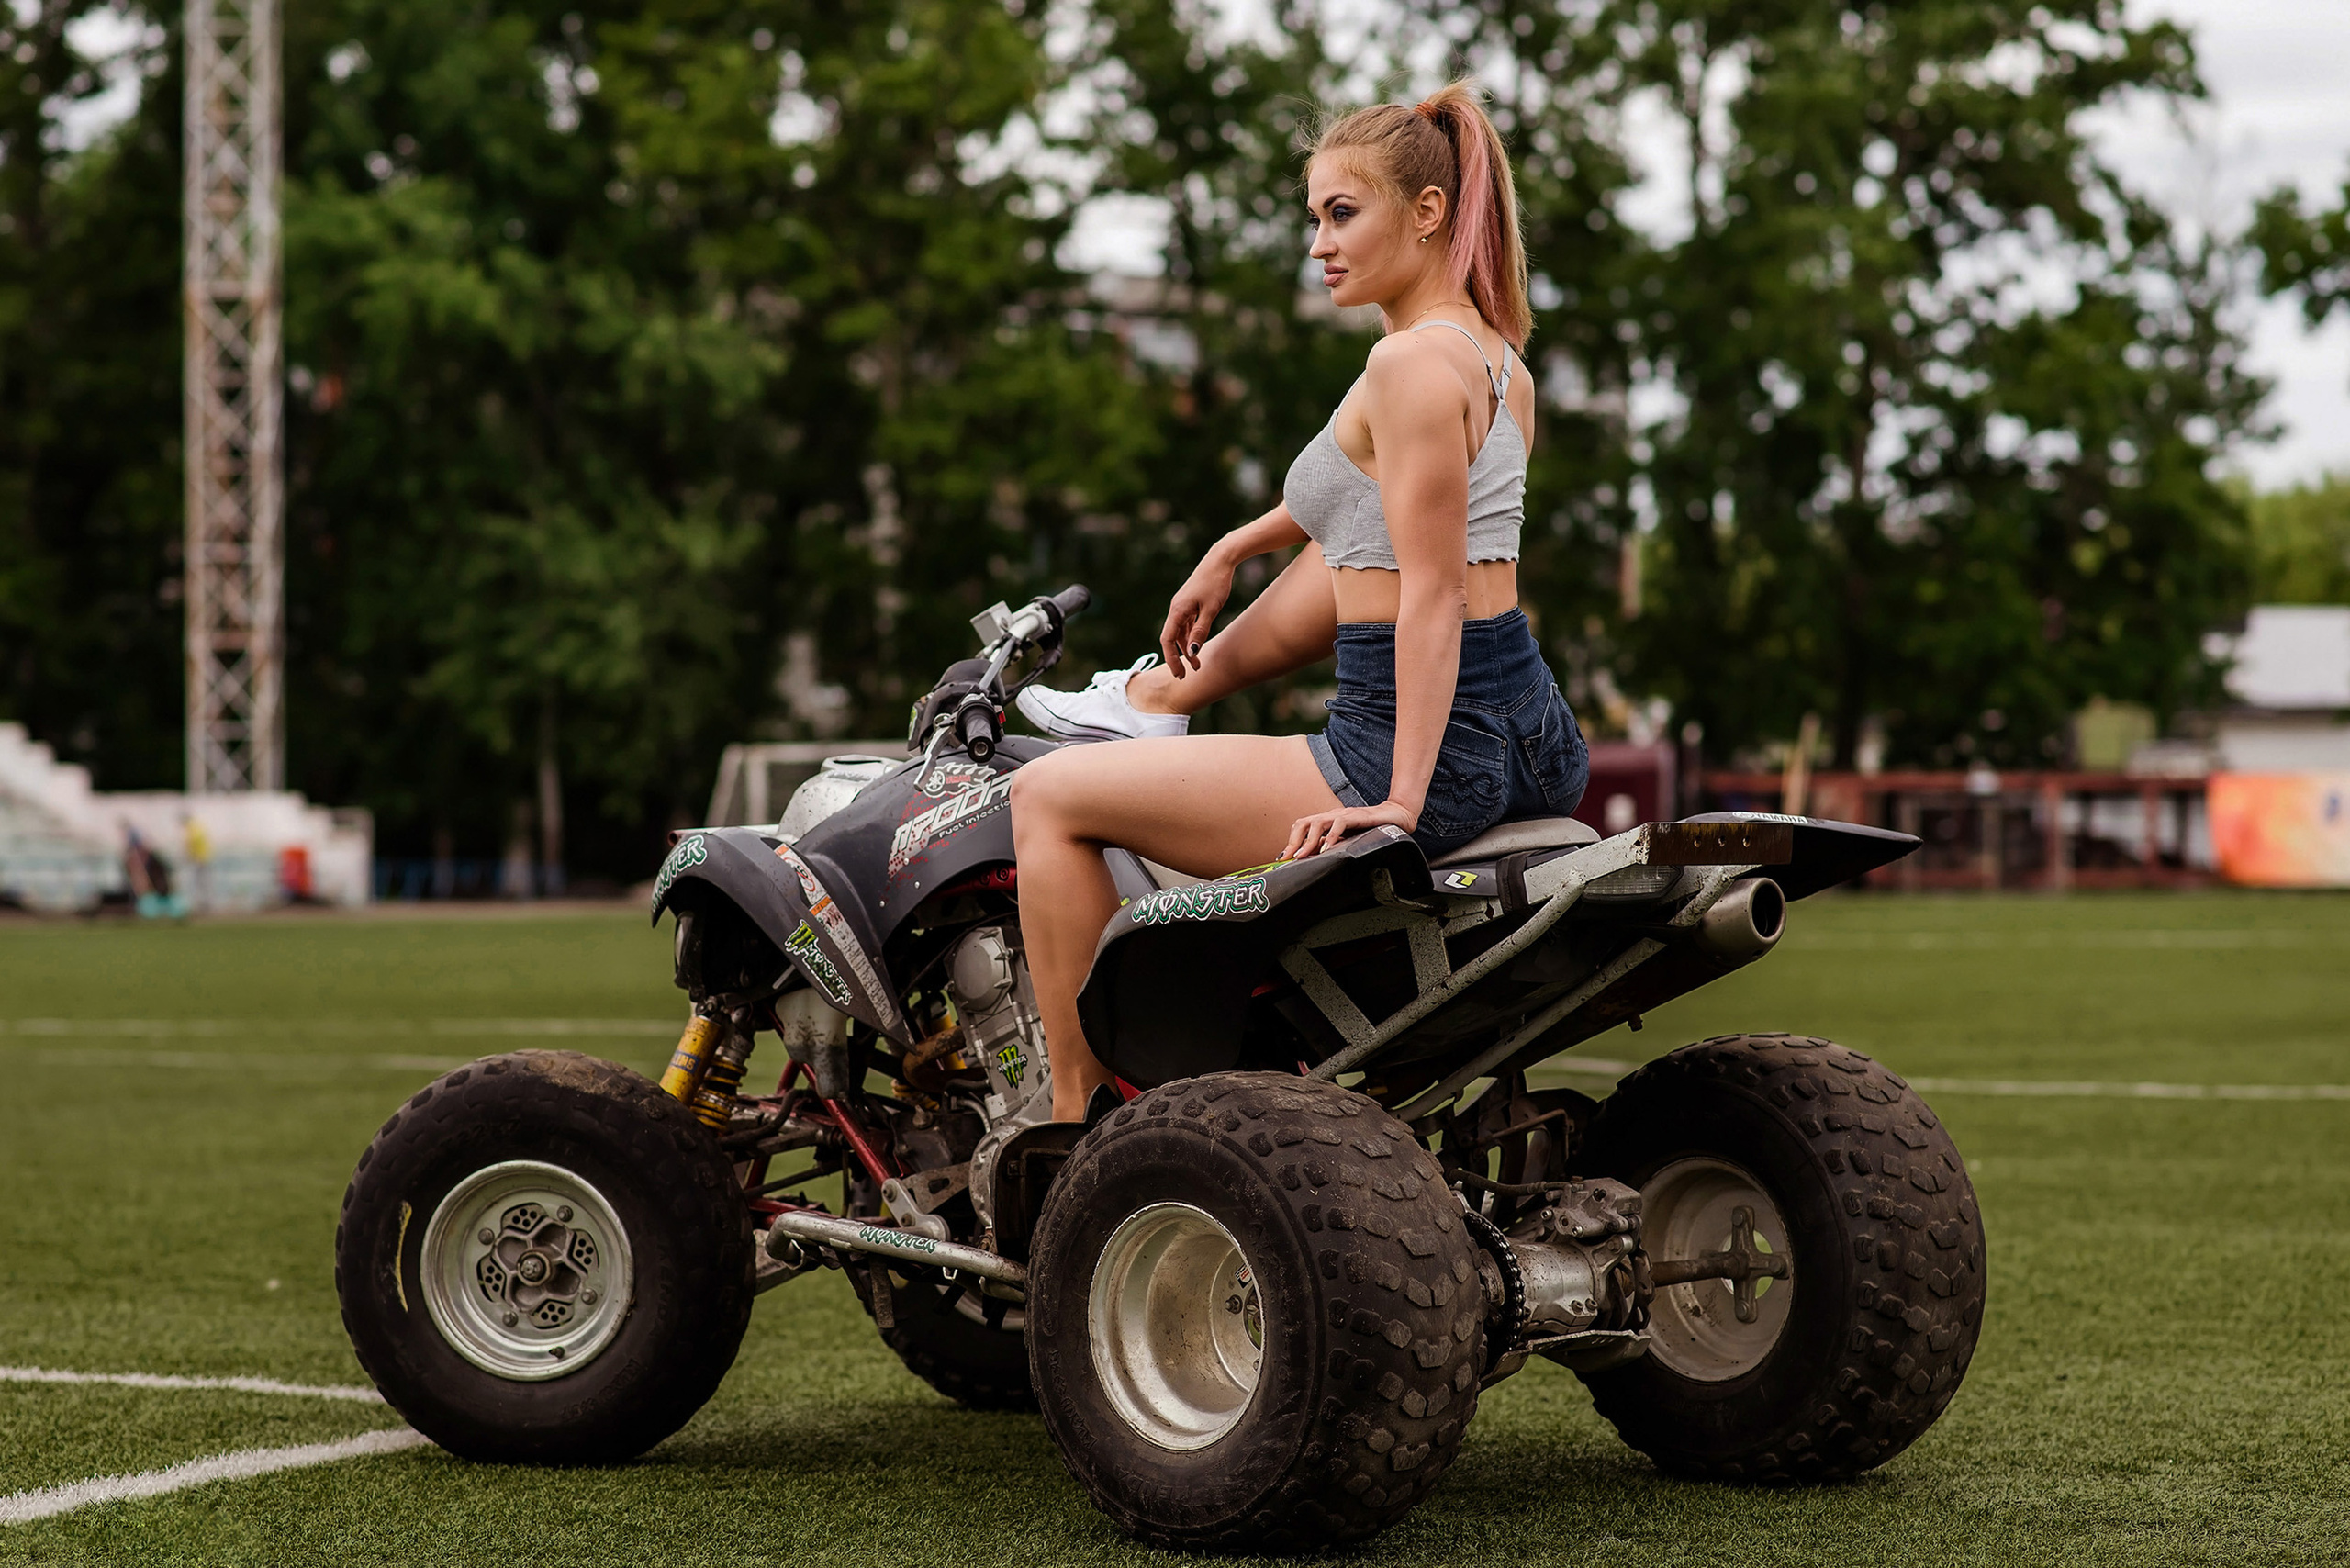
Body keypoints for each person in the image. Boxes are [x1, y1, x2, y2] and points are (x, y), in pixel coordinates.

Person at [1008, 81, 1590, 1122]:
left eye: (1341, 214)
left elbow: (1432, 590)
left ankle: (1078, 1117)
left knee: (1048, 799)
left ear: (1426, 214)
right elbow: (1355, 511)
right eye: (1313, 217)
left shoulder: (1406, 363)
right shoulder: (1499, 359)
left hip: (1422, 741)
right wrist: (1237, 542)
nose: (1319, 243)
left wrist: (1401, 802)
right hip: (1538, 732)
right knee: (1345, 568)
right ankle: (1151, 701)